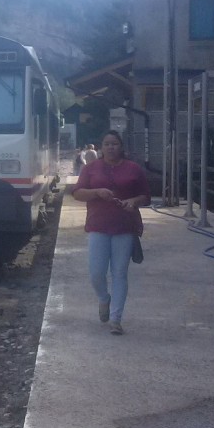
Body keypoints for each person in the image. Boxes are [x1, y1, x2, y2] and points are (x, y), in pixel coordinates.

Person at [70, 130, 150, 335]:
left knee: (119, 273)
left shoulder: (133, 169)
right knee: (96, 273)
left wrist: (133, 201)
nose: (111, 147)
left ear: (121, 147)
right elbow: (77, 193)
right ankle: (104, 298)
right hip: (98, 225)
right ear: (101, 147)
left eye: (114, 144)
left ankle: (116, 319)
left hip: (124, 226)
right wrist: (97, 192)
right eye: (107, 144)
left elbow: (146, 196)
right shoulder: (90, 169)